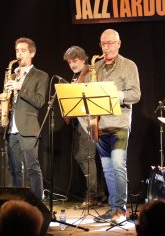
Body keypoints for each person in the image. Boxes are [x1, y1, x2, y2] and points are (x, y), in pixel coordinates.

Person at [92, 29, 141, 223]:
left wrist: (116, 95)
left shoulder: (129, 65)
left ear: (119, 44)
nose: (106, 47)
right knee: (107, 169)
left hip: (119, 124)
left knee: (118, 166)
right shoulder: (96, 66)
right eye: (103, 44)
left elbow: (135, 95)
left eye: (110, 43)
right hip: (100, 125)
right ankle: (113, 209)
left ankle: (120, 209)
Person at [0, 37, 49, 200]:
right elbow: (9, 99)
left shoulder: (41, 76)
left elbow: (40, 101)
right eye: (17, 51)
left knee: (32, 168)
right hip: (11, 128)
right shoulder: (11, 75)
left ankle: (37, 203)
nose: (19, 54)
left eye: (23, 51)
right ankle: (16, 202)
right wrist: (3, 107)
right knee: (14, 169)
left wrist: (20, 88)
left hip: (28, 128)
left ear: (32, 53)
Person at [62, 45, 99, 208]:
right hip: (79, 124)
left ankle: (93, 196)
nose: (72, 64)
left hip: (89, 123)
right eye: (69, 62)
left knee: (88, 158)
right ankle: (98, 193)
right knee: (82, 157)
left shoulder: (89, 72)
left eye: (75, 61)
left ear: (83, 59)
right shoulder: (76, 75)